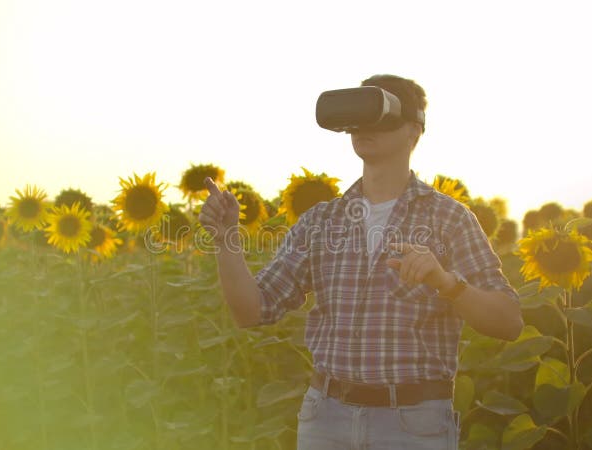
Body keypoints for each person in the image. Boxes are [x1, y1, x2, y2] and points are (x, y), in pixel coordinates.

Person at [197, 74, 523, 450]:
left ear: (414, 132)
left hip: (413, 425)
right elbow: (250, 311)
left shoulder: (450, 218)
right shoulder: (322, 221)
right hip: (325, 420)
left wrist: (445, 282)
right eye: (359, 116)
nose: (365, 128)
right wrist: (226, 239)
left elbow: (509, 321)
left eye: (381, 117)